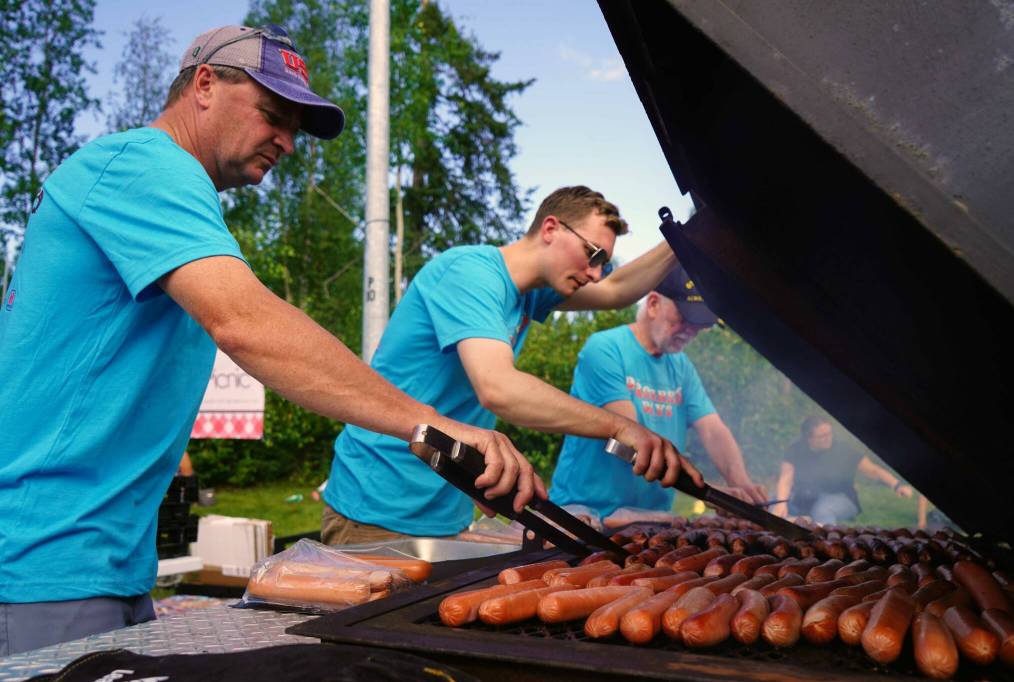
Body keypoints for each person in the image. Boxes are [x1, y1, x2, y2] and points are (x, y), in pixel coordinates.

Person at [0, 25, 533, 655]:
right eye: (272, 115)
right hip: (48, 555)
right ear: (204, 84)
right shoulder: (144, 165)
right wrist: (433, 426)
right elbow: (248, 324)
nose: (285, 141)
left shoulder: (161, 188)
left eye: (294, 128)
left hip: (100, 554)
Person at [322, 188, 706, 545]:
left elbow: (617, 290)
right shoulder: (470, 273)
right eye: (593, 254)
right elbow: (498, 388)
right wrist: (622, 427)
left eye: (603, 262)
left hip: (445, 510)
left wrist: (685, 236)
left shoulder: (527, 296)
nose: (594, 273)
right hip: (374, 508)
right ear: (551, 228)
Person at [549, 265, 768, 519]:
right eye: (685, 319)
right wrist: (709, 492)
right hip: (584, 512)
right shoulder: (605, 349)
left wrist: (741, 485)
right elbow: (631, 440)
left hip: (649, 517)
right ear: (653, 304)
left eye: (699, 324)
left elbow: (713, 430)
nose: (692, 331)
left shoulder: (681, 365)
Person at [772, 416, 913, 524]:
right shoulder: (796, 449)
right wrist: (781, 503)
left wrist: (897, 485)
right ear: (809, 438)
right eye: (822, 436)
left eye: (829, 434)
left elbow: (873, 470)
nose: (828, 438)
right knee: (774, 503)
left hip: (841, 497)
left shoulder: (844, 450)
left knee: (821, 510)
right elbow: (786, 478)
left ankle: (825, 547)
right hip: (805, 497)